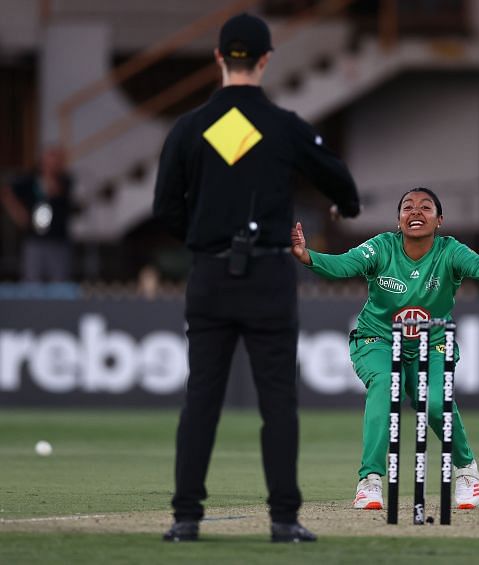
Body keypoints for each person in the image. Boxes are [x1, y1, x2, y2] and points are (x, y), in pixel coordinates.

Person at [153, 12, 360, 543]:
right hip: (268, 276)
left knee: (201, 398)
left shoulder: (189, 127)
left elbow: (165, 211)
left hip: (209, 276)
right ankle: (284, 520)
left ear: (220, 58)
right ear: (266, 60)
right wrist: (341, 204)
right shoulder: (285, 125)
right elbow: (342, 184)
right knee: (278, 403)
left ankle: (186, 518)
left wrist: (205, 235)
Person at [290, 187, 479, 511]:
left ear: (440, 220)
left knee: (435, 404)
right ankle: (369, 482)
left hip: (433, 342)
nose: (416, 212)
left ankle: (466, 471)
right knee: (385, 384)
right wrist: (306, 256)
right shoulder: (381, 248)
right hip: (378, 339)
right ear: (398, 220)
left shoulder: (448, 251)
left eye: (426, 207)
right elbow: (343, 265)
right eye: (407, 207)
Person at [0, 146, 74, 282]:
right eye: (51, 158)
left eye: (57, 159)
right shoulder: (29, 180)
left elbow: (62, 195)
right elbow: (6, 192)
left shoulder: (66, 181)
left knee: (60, 284)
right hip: (34, 240)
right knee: (32, 284)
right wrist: (19, 213)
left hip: (58, 241)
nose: (55, 163)